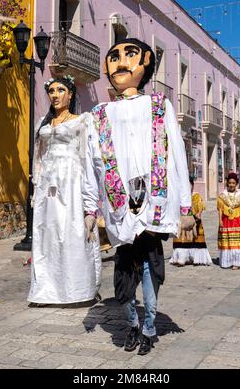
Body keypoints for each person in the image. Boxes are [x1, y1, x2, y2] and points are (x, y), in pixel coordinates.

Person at [82, 38, 194, 355]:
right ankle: (132, 323)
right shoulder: (100, 113)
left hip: (154, 200)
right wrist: (90, 208)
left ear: (145, 62)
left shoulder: (160, 105)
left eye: (129, 54)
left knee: (149, 268)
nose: (120, 61)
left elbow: (177, 155)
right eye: (113, 56)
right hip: (119, 205)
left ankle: (148, 328)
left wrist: (185, 206)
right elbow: (92, 163)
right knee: (124, 270)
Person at [28, 75, 101, 306]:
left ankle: (76, 289)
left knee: (71, 232)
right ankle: (47, 291)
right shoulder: (43, 123)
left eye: (61, 90)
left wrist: (89, 196)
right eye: (51, 91)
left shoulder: (82, 120)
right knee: (48, 233)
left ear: (70, 94)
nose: (55, 95)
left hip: (71, 182)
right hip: (48, 185)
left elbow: (88, 156)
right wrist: (36, 185)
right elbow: (38, 157)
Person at [170, 176, 212, 266]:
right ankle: (181, 258)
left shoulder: (196, 196)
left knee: (196, 240)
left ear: (192, 185)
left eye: (189, 185)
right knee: (182, 240)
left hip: (195, 222)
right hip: (182, 222)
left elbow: (200, 208)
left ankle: (196, 258)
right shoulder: (179, 197)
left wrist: (198, 214)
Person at [217, 172, 240, 270]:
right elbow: (220, 210)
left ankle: (237, 262)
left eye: (233, 183)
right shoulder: (222, 196)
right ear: (227, 183)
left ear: (236, 184)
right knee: (228, 242)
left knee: (237, 242)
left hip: (239, 221)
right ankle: (227, 261)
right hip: (226, 221)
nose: (231, 185)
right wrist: (220, 221)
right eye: (230, 183)